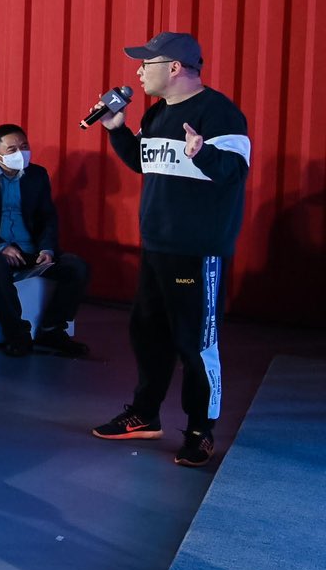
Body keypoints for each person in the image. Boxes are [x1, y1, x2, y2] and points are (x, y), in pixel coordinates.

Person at [94, 32, 250, 468]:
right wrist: (118, 131)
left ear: (175, 67)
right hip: (157, 245)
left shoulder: (220, 113)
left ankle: (201, 430)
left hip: (197, 251)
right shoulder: (158, 112)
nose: (139, 72)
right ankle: (145, 413)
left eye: (147, 64)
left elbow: (234, 171)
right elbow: (145, 161)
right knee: (148, 332)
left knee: (196, 342)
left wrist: (203, 153)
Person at [0, 125, 91, 357]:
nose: (21, 153)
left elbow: (47, 216)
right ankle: (16, 333)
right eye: (12, 149)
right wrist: (1, 246)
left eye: (24, 146)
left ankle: (52, 328)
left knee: (76, 267)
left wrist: (46, 248)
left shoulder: (37, 175)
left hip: (28, 248)